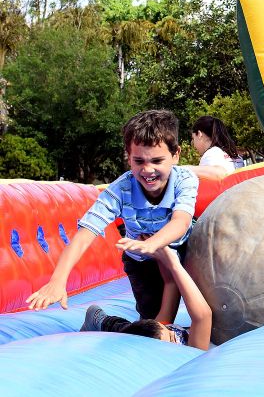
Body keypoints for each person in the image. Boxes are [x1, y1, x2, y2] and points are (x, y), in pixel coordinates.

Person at [26, 110, 200, 321]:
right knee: (153, 321)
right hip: (142, 262)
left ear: (175, 155)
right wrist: (58, 280)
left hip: (184, 251)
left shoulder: (184, 180)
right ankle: (103, 322)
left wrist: (152, 243)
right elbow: (84, 235)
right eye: (139, 161)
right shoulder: (121, 190)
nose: (148, 170)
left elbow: (181, 221)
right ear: (129, 157)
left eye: (156, 160)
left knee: (203, 306)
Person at [80, 242, 212, 350]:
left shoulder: (162, 332)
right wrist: (175, 266)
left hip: (129, 332)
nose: (173, 332)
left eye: (169, 330)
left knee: (126, 329)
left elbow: (170, 283)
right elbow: (204, 316)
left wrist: (161, 250)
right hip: (139, 344)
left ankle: (99, 318)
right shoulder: (191, 351)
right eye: (172, 338)